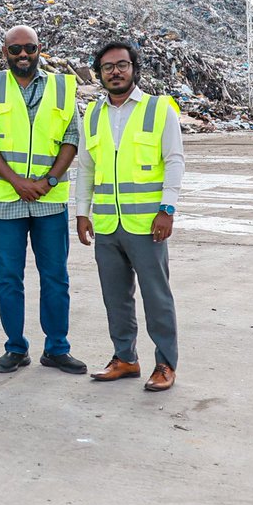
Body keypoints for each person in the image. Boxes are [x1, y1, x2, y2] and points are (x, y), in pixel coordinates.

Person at [0, 26, 86, 375]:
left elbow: (71, 138)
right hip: (6, 201)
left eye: (30, 49)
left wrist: (49, 180)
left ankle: (56, 348)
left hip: (50, 201)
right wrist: (18, 182)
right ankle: (15, 348)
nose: (23, 55)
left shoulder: (63, 87)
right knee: (9, 278)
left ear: (41, 50)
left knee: (55, 276)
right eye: (15, 49)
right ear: (4, 52)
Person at [75, 40, 185, 392]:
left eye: (122, 65)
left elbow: (174, 161)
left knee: (157, 296)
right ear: (99, 73)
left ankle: (165, 364)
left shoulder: (158, 109)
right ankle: (125, 358)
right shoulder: (92, 114)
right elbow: (87, 169)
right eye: (108, 67)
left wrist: (167, 209)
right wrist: (81, 213)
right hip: (107, 225)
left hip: (147, 224)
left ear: (134, 69)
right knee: (115, 296)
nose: (115, 72)